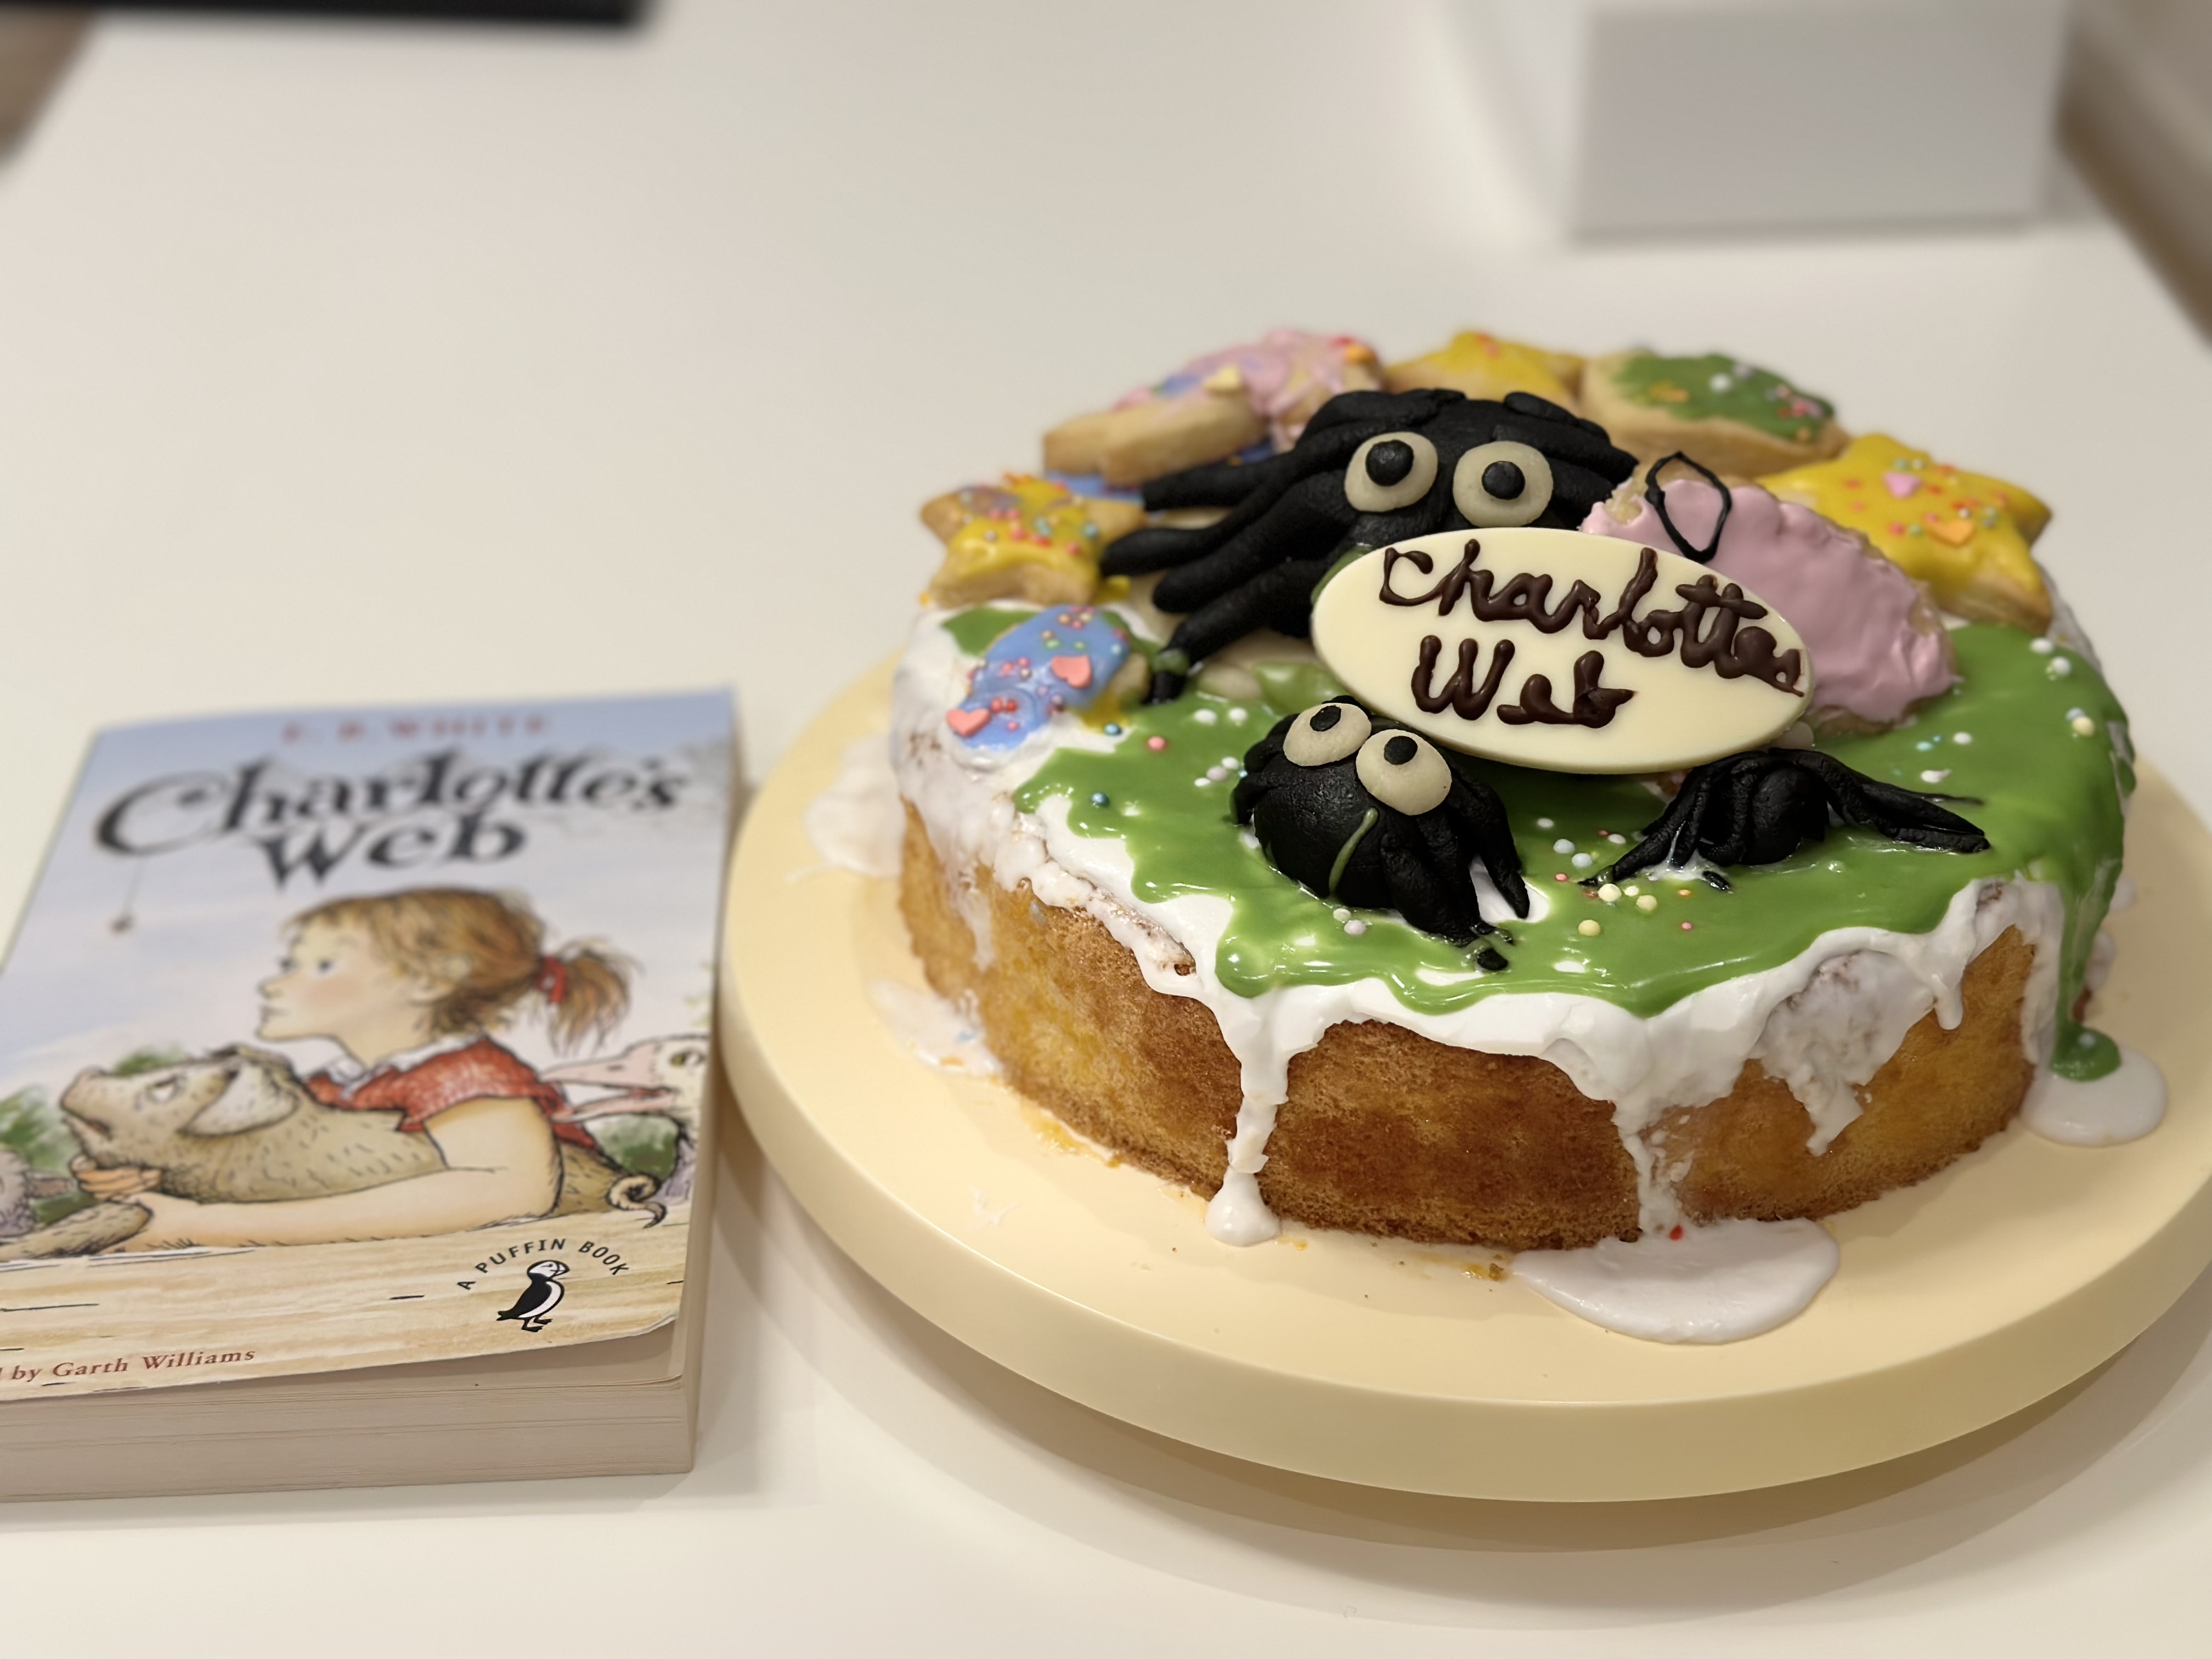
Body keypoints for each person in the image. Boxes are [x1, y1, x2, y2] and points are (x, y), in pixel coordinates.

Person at [80, 888, 630, 1249]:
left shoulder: (469, 1078)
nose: (274, 984)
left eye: (321, 965)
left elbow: (510, 1194)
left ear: (430, 980)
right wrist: (153, 1175)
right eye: (289, 964)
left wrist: (208, 1225)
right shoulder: (333, 1086)